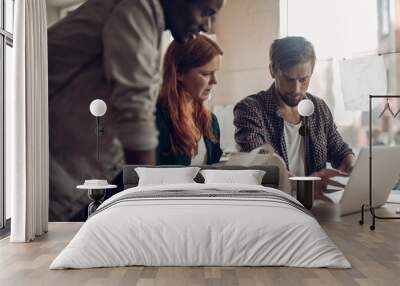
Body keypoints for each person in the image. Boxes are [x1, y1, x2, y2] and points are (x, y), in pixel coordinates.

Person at [48, 0, 225, 221]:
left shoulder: (149, 26)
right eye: (204, 13)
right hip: (54, 180)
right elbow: (135, 112)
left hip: (74, 186)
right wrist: (144, 208)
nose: (207, 27)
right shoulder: (136, 8)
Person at [233, 36, 354, 197]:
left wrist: (351, 166)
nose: (297, 89)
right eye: (289, 79)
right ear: (272, 71)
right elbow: (260, 164)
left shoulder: (319, 108)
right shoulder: (250, 109)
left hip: (314, 206)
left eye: (303, 80)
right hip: (273, 206)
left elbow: (340, 151)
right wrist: (305, 184)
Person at [156, 35, 223, 165]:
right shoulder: (156, 119)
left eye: (215, 73)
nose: (214, 81)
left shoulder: (210, 122)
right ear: (179, 72)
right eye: (205, 74)